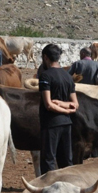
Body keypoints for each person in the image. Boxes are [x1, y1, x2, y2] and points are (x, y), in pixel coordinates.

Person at [37, 44, 78, 175]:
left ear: (45, 57)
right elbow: (75, 104)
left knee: (48, 159)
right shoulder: (68, 77)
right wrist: (66, 108)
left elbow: (48, 104)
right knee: (66, 160)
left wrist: (61, 106)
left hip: (51, 123)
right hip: (67, 123)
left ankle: (48, 189)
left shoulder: (45, 76)